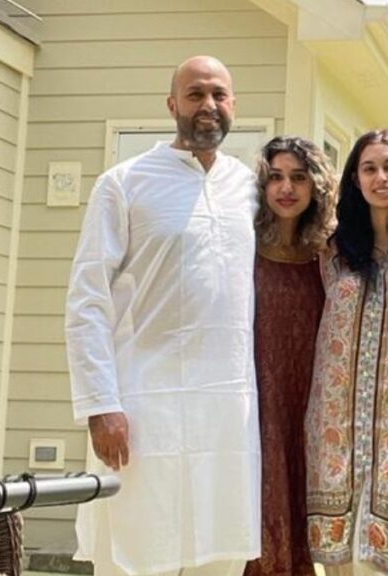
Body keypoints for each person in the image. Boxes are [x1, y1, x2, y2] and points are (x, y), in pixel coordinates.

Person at [65, 56, 260, 576]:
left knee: (219, 554)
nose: (208, 106)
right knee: (136, 551)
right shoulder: (123, 184)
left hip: (226, 411)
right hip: (141, 409)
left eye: (219, 95)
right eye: (195, 95)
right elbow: (87, 301)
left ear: (234, 105)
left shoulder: (248, 188)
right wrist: (100, 405)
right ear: (172, 104)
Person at [305, 130, 388, 575]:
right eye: (369, 168)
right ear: (355, 179)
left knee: (386, 567)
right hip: (335, 430)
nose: (381, 177)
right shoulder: (332, 249)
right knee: (340, 565)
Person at [245, 136, 336, 576]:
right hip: (255, 401)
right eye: (276, 177)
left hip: (310, 406)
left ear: (316, 186)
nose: (287, 188)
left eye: (299, 178)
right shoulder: (242, 248)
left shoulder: (331, 254)